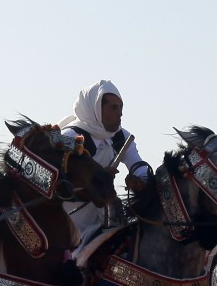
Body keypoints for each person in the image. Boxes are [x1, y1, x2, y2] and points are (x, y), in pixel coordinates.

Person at [57, 80, 150, 245]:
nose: (120, 113)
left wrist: (142, 180)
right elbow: (59, 182)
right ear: (96, 109)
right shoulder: (69, 137)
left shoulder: (122, 137)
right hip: (70, 218)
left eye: (121, 108)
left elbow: (137, 164)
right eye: (114, 108)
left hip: (105, 213)